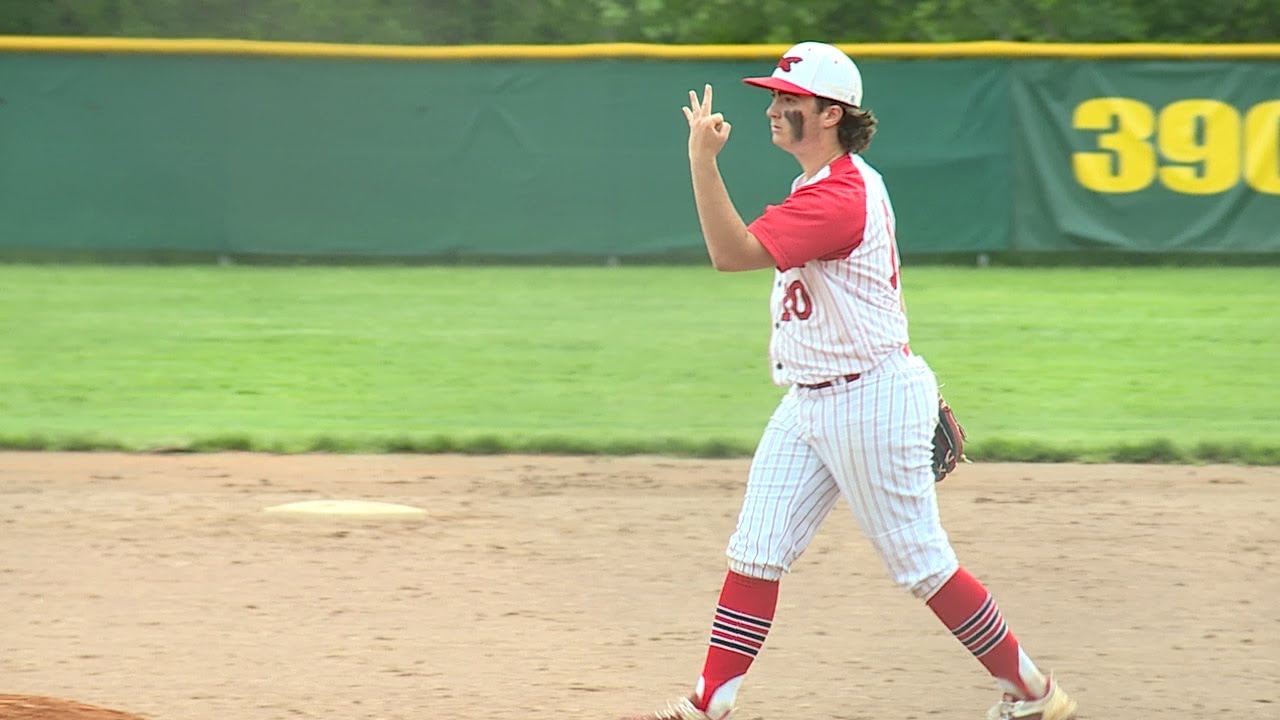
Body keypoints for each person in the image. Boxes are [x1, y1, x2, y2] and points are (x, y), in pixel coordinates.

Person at [620, 42, 1077, 720]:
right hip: (810, 400)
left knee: (922, 565)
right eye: (774, 97)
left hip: (869, 399)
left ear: (830, 114)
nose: (773, 109)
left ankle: (1032, 690)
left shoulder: (841, 193)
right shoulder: (820, 185)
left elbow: (729, 253)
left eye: (788, 100)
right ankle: (709, 705)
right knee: (756, 551)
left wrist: (700, 161)